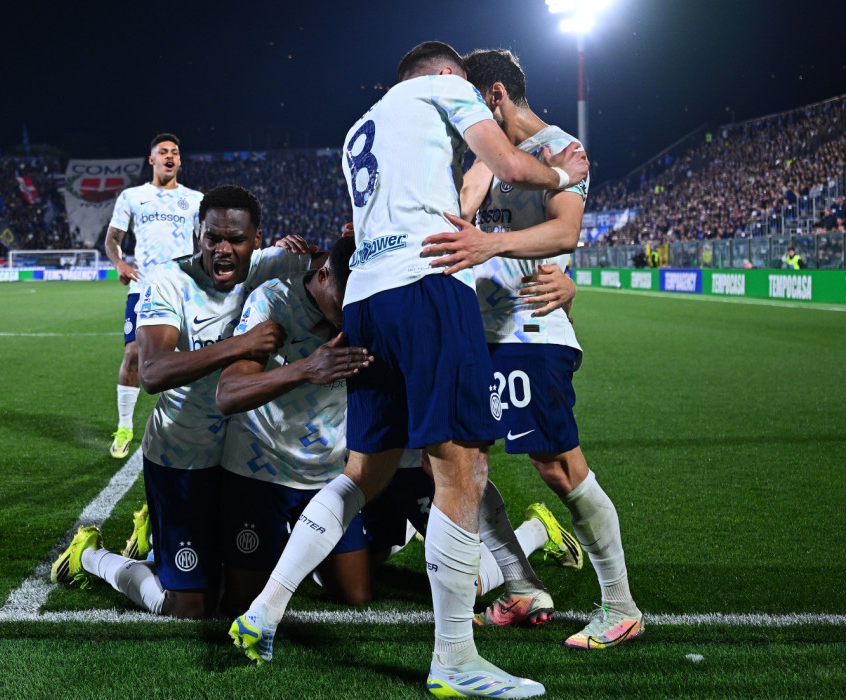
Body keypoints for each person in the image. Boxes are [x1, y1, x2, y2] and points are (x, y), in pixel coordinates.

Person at [231, 42, 588, 699]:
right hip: (426, 286)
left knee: (363, 472)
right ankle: (454, 659)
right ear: (448, 76)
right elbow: (508, 162)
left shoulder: (360, 128)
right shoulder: (445, 91)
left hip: (366, 297)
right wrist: (562, 174)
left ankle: (266, 608)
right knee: (460, 464)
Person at [423, 47, 642, 649]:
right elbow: (460, 210)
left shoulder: (559, 150)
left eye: (468, 100)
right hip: (482, 335)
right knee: (449, 457)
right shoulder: (484, 156)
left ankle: (620, 605)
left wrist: (493, 247)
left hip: (533, 331)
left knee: (557, 465)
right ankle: (520, 583)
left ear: (494, 96)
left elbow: (565, 230)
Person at [51, 185, 312, 619]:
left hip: (246, 462)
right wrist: (240, 344)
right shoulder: (169, 282)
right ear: (198, 235)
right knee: (189, 607)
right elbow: (152, 372)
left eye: (236, 240)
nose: (223, 250)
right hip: (182, 456)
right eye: (213, 238)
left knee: (240, 594)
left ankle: (161, 536)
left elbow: (333, 270)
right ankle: (90, 557)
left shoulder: (275, 265)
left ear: (258, 240)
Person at [214, 234, 378, 615]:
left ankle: (305, 555)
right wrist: (306, 369)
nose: (348, 318)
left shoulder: (366, 307)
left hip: (328, 475)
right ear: (322, 277)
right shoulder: (272, 300)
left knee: (356, 597)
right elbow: (229, 393)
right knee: (238, 603)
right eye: (341, 304)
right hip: (259, 470)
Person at [103, 134, 203, 459]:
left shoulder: (195, 200)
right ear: (152, 160)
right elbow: (112, 239)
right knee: (133, 354)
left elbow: (208, 242)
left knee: (189, 359)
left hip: (184, 290)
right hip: (143, 289)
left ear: (179, 160)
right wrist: (118, 261)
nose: (169, 156)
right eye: (163, 152)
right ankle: (124, 426)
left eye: (175, 152)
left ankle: (184, 425)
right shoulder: (133, 197)